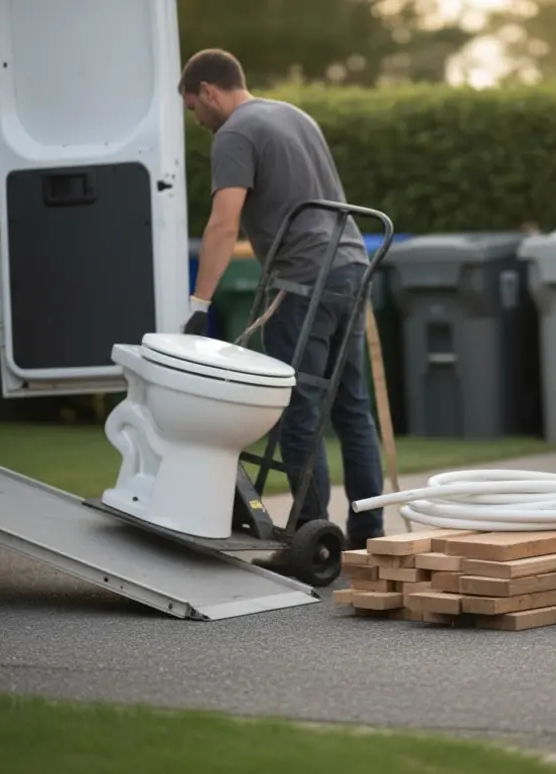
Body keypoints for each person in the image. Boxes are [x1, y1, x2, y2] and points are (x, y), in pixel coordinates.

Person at [178, 48, 385, 563]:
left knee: (298, 409)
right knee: (351, 408)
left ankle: (310, 539)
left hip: (305, 279)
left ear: (208, 90)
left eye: (192, 108)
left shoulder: (235, 134)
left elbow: (224, 223)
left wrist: (200, 303)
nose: (197, 120)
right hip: (352, 264)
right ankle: (370, 535)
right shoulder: (294, 115)